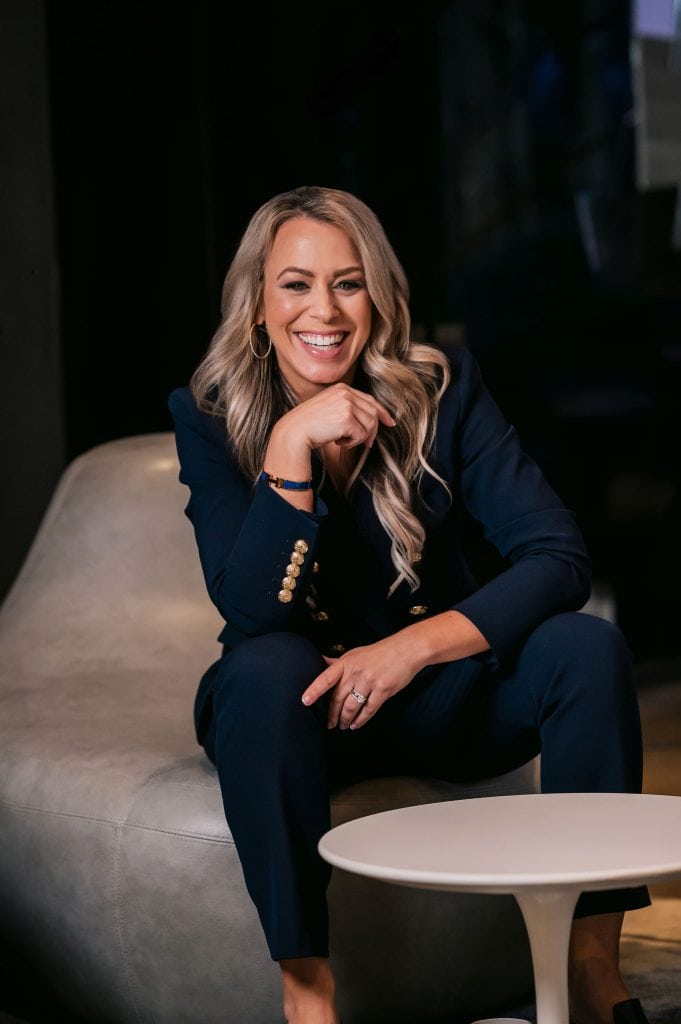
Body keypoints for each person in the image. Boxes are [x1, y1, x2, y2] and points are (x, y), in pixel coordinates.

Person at [168, 185, 650, 1024]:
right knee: (261, 668)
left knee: (584, 647)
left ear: (378, 298)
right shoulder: (208, 417)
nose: (324, 309)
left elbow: (558, 557)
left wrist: (411, 649)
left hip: (438, 703)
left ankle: (587, 968)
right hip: (301, 713)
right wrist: (290, 448)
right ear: (256, 306)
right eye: (295, 283)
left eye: (347, 282)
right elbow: (250, 612)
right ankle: (308, 997)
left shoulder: (442, 392)